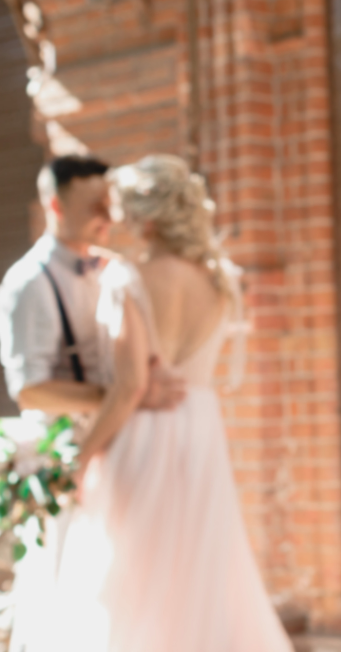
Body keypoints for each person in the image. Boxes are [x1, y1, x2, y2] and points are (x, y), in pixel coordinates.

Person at [18, 155, 292, 652]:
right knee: (200, 571)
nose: (111, 216)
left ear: (145, 218)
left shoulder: (131, 279)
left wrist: (83, 459)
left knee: (128, 579)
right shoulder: (220, 279)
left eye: (118, 206)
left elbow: (129, 388)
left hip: (145, 434)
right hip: (201, 428)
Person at [0, 155, 185, 652]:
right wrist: (126, 394)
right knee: (58, 591)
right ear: (55, 206)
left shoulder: (115, 271)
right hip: (59, 459)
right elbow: (31, 389)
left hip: (119, 448)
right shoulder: (26, 283)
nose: (109, 213)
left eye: (110, 201)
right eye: (95, 205)